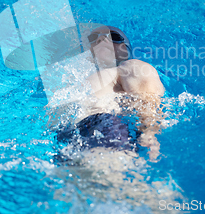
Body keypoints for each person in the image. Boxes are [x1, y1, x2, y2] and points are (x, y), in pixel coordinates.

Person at [57, 25, 166, 161]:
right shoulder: (72, 81)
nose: (102, 38)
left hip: (100, 125)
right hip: (63, 135)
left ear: (126, 50)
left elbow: (147, 94)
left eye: (113, 36)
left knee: (110, 178)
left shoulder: (129, 66)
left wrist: (148, 130)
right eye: (93, 38)